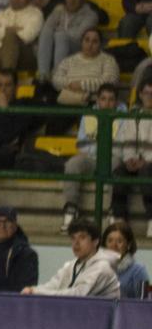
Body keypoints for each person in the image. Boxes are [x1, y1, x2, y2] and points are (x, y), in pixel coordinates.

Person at [61, 84, 122, 231]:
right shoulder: (87, 116)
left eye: (111, 99)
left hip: (113, 158)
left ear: (116, 102)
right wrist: (97, 149)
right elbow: (82, 145)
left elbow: (121, 145)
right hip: (91, 158)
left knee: (119, 165)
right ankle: (71, 208)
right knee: (73, 163)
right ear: (97, 101)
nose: (107, 103)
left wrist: (101, 148)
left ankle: (114, 211)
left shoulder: (123, 117)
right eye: (103, 99)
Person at [22, 218, 120, 298]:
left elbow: (78, 295)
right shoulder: (71, 265)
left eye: (82, 237)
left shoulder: (102, 268)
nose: (76, 243)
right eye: (73, 238)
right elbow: (53, 285)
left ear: (95, 241)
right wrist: (33, 290)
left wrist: (36, 292)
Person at [111, 78, 152, 232]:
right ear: (140, 94)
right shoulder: (133, 115)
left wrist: (146, 161)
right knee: (119, 171)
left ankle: (151, 219)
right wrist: (129, 159)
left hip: (149, 163)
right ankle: (119, 219)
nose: (149, 96)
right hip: (136, 160)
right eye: (146, 93)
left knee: (147, 172)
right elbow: (126, 141)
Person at [38, 0, 98, 85]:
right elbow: (47, 28)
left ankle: (57, 77)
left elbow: (78, 36)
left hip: (77, 48)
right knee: (47, 32)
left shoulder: (90, 15)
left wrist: (59, 31)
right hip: (55, 48)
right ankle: (43, 75)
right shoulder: (59, 10)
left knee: (60, 36)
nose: (72, 0)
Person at [51, 28, 119, 107]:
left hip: (94, 103)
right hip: (67, 101)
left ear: (100, 44)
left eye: (95, 41)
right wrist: (70, 84)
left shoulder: (108, 60)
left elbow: (110, 82)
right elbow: (56, 80)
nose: (90, 45)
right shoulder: (68, 61)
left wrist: (82, 85)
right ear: (81, 42)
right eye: (87, 40)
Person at [102, 221, 149, 299]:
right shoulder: (98, 268)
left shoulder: (139, 270)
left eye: (119, 241)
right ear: (104, 244)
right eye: (110, 241)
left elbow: (143, 303)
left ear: (128, 245)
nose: (114, 245)